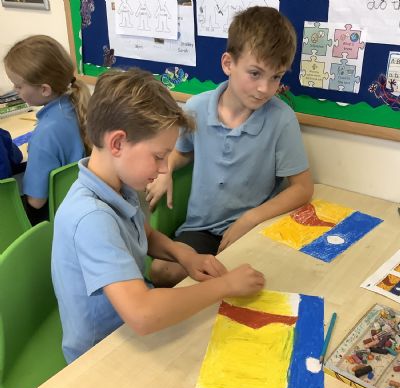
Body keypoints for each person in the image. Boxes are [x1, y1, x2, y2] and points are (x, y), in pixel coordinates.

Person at [51, 68, 265, 364]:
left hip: (130, 331)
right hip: (102, 355)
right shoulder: (92, 218)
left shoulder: (117, 184)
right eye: (158, 156)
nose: (165, 169)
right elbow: (143, 314)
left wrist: (183, 255)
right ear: (117, 144)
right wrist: (226, 286)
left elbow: (144, 233)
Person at [146, 6, 314, 287]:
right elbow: (183, 151)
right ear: (228, 64)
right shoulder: (197, 107)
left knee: (265, 282)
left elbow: (303, 188)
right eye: (255, 73)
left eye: (276, 77)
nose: (265, 88)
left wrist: (250, 219)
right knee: (162, 271)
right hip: (203, 229)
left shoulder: (281, 119)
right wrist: (167, 170)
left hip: (256, 228)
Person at [4, 35, 91, 224]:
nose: (14, 89)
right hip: (83, 207)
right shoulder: (78, 106)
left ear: (44, 89)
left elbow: (36, 202)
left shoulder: (44, 135)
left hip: (58, 220)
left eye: (18, 86)